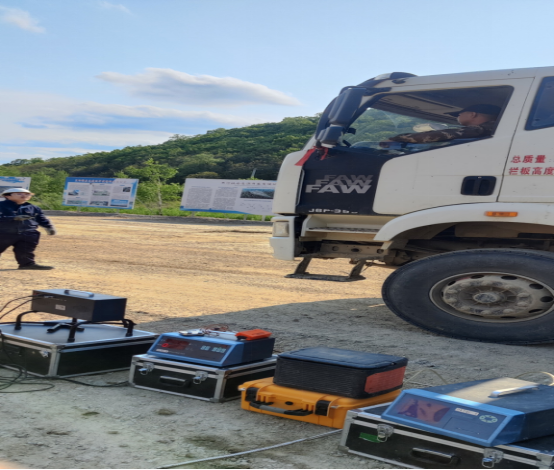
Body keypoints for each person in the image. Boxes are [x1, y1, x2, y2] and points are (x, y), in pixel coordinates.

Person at [383, 104, 501, 144]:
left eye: (459, 114)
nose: (458, 117)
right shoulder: (498, 127)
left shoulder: (486, 128)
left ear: (472, 114)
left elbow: (445, 134)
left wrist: (398, 139)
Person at [0, 188, 56, 270]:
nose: (24, 195)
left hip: (28, 233)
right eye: (19, 194)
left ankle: (26, 264)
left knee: (25, 250)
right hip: (4, 233)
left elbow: (41, 218)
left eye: (27, 194)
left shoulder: (33, 207)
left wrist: (48, 227)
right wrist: (13, 218)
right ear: (7, 196)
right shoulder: (1, 206)